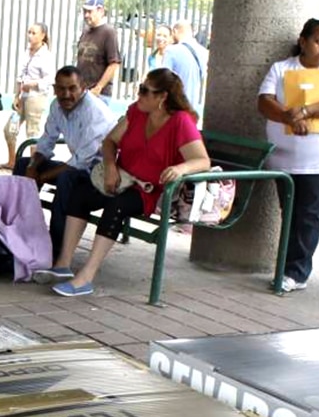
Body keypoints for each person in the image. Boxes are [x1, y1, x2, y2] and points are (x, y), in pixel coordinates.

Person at [48, 68, 209, 296]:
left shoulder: (180, 122)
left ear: (162, 97)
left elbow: (202, 160)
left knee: (117, 205)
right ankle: (62, 264)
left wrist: (180, 167)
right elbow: (109, 142)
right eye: (140, 89)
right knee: (81, 192)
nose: (138, 94)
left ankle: (86, 276)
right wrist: (112, 167)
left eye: (145, 91)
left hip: (149, 190)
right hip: (121, 179)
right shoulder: (136, 112)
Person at [257, 17, 319, 293]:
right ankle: (285, 267)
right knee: (289, 213)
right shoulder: (281, 68)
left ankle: (296, 273)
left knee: (309, 215)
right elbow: (264, 101)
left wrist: (306, 111)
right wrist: (289, 117)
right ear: (303, 41)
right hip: (284, 158)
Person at [11, 66, 115, 268]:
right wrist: (33, 167)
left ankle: (55, 249)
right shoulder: (56, 106)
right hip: (79, 168)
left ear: (83, 87)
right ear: (55, 89)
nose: (66, 95)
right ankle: (19, 231)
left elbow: (81, 162)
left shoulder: (95, 112)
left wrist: (41, 177)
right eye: (61, 89)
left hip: (100, 176)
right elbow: (46, 142)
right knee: (24, 164)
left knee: (68, 180)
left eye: (72, 88)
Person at [0, 21, 52, 171]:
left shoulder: (45, 55)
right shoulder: (26, 52)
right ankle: (12, 161)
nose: (30, 36)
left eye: (34, 33)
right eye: (29, 32)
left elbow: (48, 80)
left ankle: (32, 166)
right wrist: (16, 95)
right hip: (23, 96)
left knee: (32, 132)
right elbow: (20, 76)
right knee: (10, 129)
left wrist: (32, 84)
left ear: (43, 36)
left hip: (36, 97)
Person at [77, 0, 120, 98]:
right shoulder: (86, 31)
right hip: (82, 91)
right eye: (84, 11)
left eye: (90, 11)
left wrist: (99, 87)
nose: (86, 15)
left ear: (100, 11)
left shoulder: (108, 32)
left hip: (99, 95)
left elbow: (114, 63)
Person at [164, 18, 207, 114]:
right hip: (192, 106)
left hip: (174, 105)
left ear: (175, 31)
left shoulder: (171, 51)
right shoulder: (203, 52)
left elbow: (164, 78)